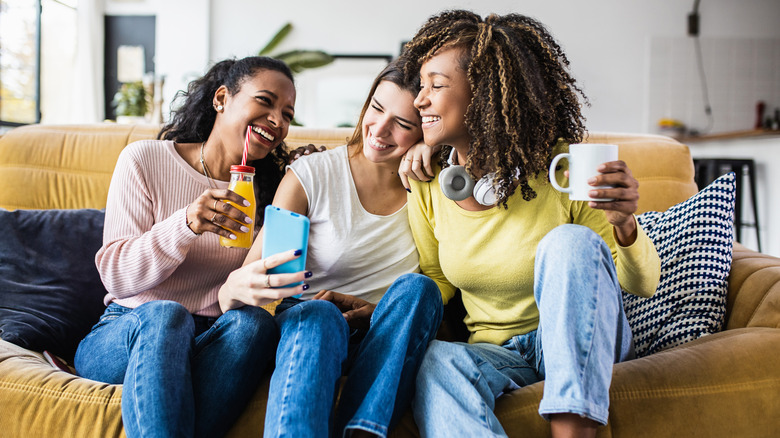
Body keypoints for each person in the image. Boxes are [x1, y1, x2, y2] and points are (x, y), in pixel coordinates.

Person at [397, 10, 661, 438]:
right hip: (501, 354)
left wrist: (625, 224)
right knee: (438, 361)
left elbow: (643, 283)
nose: (419, 100)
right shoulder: (429, 183)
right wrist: (383, 311)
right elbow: (437, 278)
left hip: (583, 339)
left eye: (436, 86)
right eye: (421, 86)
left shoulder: (564, 169)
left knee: (568, 242)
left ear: (482, 95)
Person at [74, 56, 309, 438]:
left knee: (255, 326)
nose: (277, 120)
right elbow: (115, 277)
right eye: (265, 101)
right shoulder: (146, 160)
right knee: (166, 315)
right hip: (129, 330)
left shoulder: (272, 192)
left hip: (212, 341)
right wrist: (185, 224)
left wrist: (304, 183)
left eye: (287, 114)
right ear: (221, 98)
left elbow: (275, 280)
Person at [218, 60, 443, 438]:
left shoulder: (432, 187)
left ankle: (362, 430)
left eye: (403, 124)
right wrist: (239, 288)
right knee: (320, 314)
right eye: (376, 108)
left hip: (384, 333)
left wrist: (379, 313)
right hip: (310, 326)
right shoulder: (312, 174)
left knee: (420, 290)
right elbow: (247, 281)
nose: (380, 130)